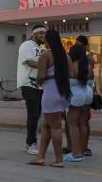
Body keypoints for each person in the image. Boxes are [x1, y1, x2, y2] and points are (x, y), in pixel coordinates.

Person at [29, 28, 72, 167]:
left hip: (50, 93)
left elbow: (40, 76)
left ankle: (59, 160)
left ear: (48, 41)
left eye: (44, 39)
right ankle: (40, 157)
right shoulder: (65, 54)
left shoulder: (46, 55)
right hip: (62, 92)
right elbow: (71, 73)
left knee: (55, 126)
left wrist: (40, 80)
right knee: (45, 125)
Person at [17, 25, 45, 155]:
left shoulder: (40, 48)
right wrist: (48, 64)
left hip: (39, 85)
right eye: (41, 33)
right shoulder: (26, 45)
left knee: (36, 114)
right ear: (34, 33)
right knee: (33, 114)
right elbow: (29, 62)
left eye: (44, 33)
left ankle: (29, 143)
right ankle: (32, 143)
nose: (43, 35)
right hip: (29, 84)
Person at [64, 41, 93, 163]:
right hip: (87, 91)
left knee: (72, 124)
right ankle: (82, 149)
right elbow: (91, 81)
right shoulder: (88, 64)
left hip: (76, 93)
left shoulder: (71, 64)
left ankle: (76, 153)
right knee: (82, 123)